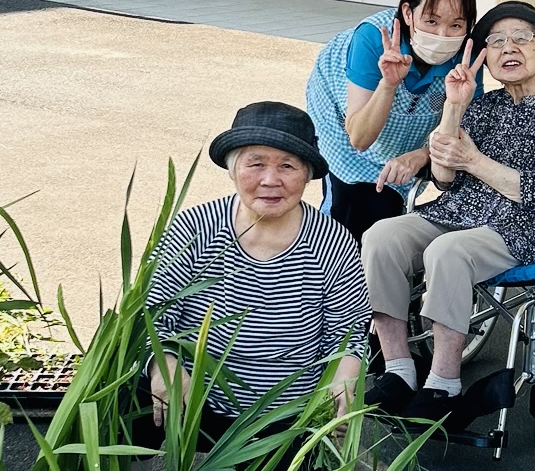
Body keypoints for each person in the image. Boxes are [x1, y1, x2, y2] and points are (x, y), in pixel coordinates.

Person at [364, 1, 535, 411]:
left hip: (522, 225)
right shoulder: (483, 106)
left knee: (447, 252)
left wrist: (475, 162)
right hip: (458, 211)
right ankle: (398, 369)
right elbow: (443, 178)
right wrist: (454, 106)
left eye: (521, 38)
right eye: (497, 42)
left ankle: (443, 383)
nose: (508, 48)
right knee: (381, 237)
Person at [145, 100, 368, 429]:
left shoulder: (332, 241)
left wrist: (343, 385)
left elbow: (347, 334)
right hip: (190, 401)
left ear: (307, 176)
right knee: (128, 399)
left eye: (288, 166)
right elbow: (151, 316)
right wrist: (165, 368)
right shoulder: (194, 228)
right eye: (256, 164)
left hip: (286, 415)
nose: (270, 180)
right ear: (233, 169)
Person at [305, 0, 478, 243]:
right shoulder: (373, 39)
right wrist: (388, 83)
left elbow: (466, 129)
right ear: (408, 13)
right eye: (431, 21)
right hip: (346, 122)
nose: (442, 35)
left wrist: (422, 154)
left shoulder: (468, 56)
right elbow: (359, 138)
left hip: (405, 137)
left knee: (385, 210)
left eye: (456, 25)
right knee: (347, 213)